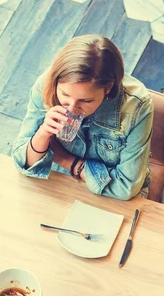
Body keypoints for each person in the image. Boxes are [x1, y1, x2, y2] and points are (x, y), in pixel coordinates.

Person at [12, 35, 153, 200]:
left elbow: (125, 188)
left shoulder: (137, 107)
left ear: (108, 88)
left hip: (111, 194)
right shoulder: (46, 84)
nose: (71, 108)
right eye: (64, 94)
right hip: (58, 181)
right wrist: (43, 133)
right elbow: (21, 162)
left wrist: (68, 162)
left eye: (86, 100)